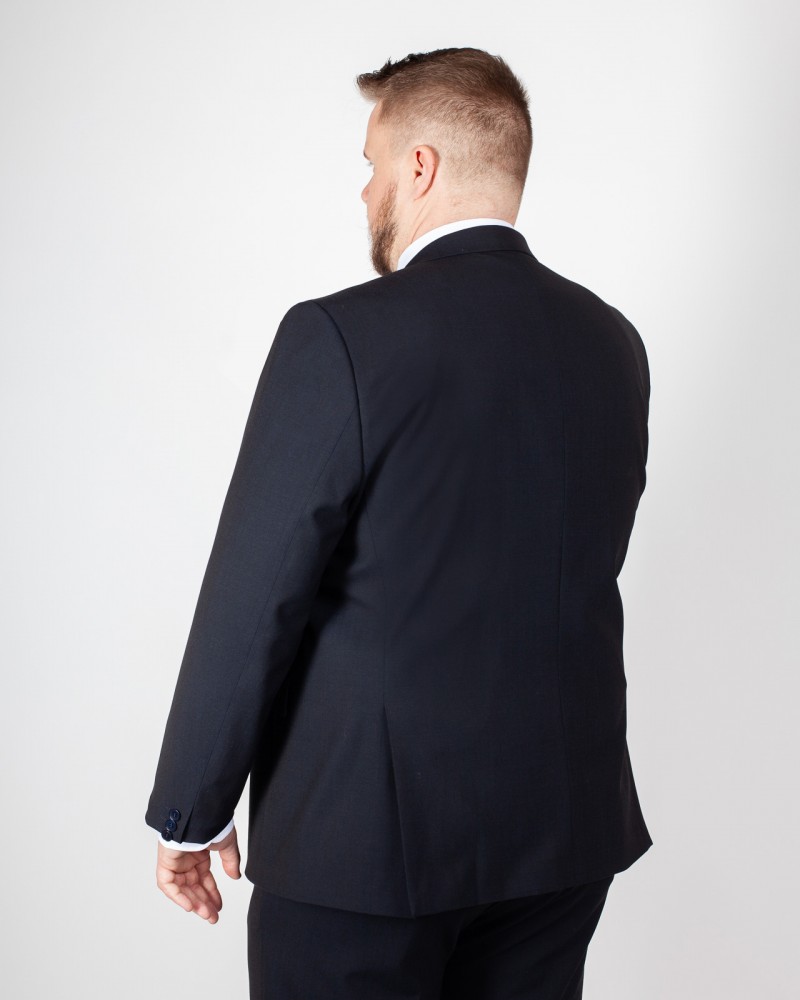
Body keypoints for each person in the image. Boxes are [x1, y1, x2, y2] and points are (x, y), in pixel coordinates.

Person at [146, 46, 653, 999]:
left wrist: (190, 808)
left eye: (372, 162)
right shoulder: (612, 342)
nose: (366, 189)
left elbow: (257, 593)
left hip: (365, 850)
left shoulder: (339, 336)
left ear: (420, 166)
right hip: (561, 831)